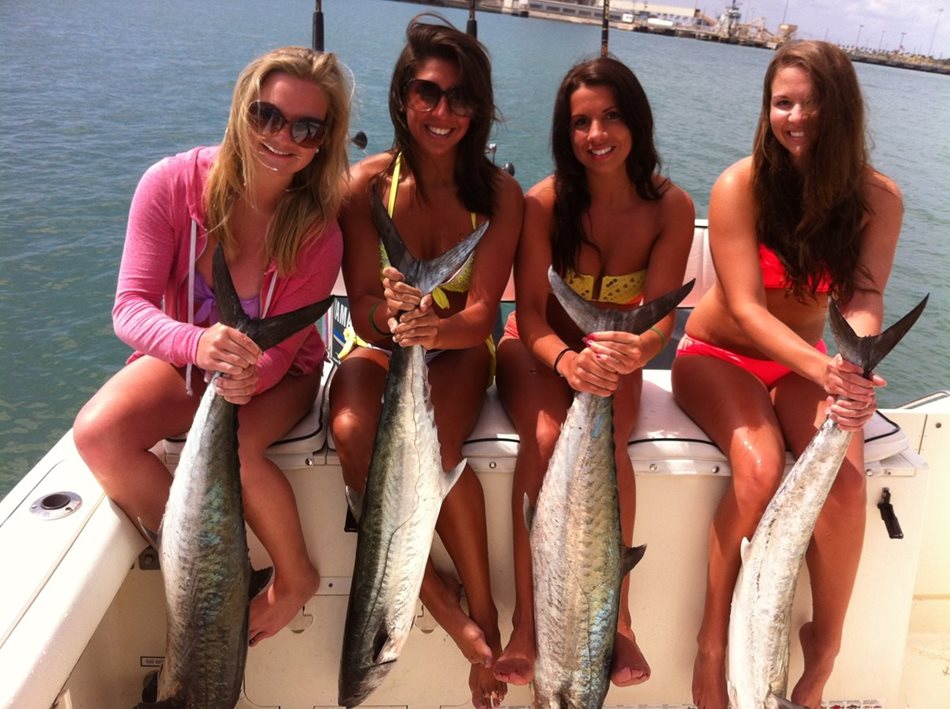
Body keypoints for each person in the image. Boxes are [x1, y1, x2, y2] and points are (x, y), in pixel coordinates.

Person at [73, 46, 351, 647]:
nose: (283, 137)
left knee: (241, 450)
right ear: (240, 112)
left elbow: (286, 345)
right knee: (99, 434)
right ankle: (213, 564)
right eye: (267, 116)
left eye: (307, 127)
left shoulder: (318, 231)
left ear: (325, 141)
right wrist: (196, 344)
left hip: (280, 373)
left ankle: (296, 575)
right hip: (186, 357)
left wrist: (256, 374)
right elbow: (130, 307)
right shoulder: (170, 186)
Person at [671, 40, 902, 709]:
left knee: (845, 487)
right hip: (717, 357)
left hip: (808, 366)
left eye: (812, 102)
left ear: (843, 110)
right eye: (784, 102)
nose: (796, 117)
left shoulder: (877, 199)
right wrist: (829, 370)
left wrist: (854, 364)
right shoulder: (740, 184)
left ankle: (823, 648)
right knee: (759, 468)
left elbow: (862, 295)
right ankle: (712, 641)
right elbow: (742, 304)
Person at [327, 15, 523, 709]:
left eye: (463, 99)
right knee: (352, 428)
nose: (445, 113)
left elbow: (484, 315)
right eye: (430, 93)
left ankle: (487, 617)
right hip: (382, 345)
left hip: (461, 346)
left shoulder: (500, 196)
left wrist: (432, 326)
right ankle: (442, 604)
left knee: (436, 448)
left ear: (480, 107)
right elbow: (359, 306)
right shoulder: (363, 186)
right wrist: (394, 316)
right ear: (403, 97)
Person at [493, 55, 694, 688]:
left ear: (635, 121)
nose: (597, 135)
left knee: (609, 445)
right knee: (546, 439)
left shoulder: (671, 207)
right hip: (537, 348)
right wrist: (565, 360)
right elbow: (527, 312)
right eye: (581, 122)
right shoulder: (544, 203)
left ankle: (620, 619)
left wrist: (638, 348)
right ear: (565, 132)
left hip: (614, 356)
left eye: (610, 117)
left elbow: (659, 315)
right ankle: (527, 621)